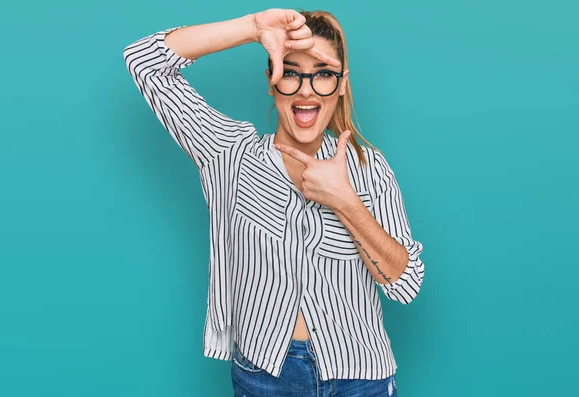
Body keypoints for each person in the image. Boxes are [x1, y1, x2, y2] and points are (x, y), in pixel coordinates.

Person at [123, 8, 425, 397]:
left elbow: (405, 284)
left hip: (361, 375)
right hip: (266, 377)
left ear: (342, 85)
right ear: (271, 80)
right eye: (291, 71)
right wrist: (252, 28)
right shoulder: (228, 154)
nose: (305, 89)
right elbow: (145, 61)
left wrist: (346, 202)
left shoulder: (370, 168)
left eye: (322, 73)